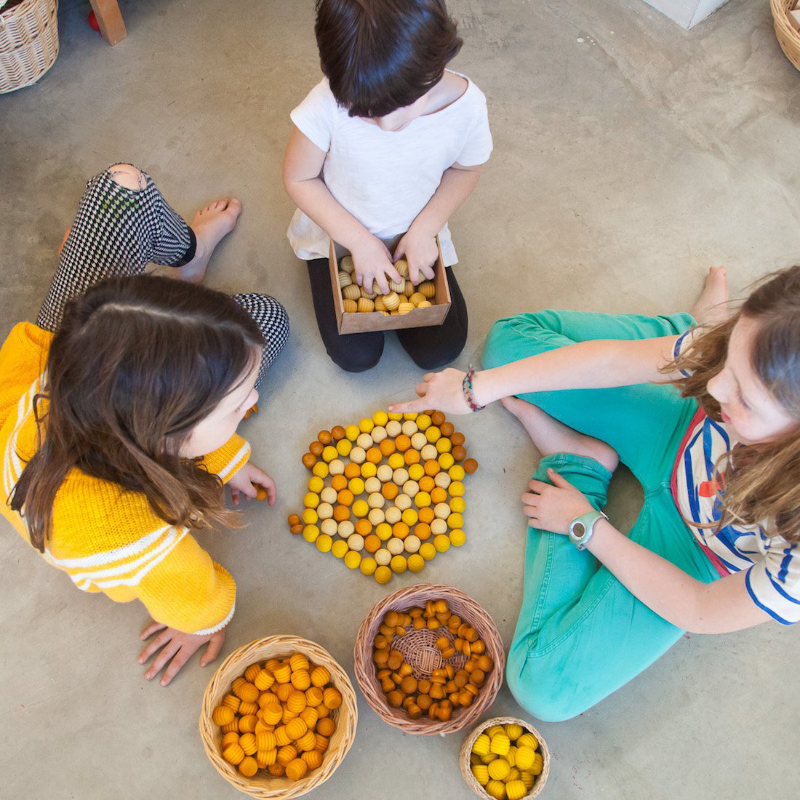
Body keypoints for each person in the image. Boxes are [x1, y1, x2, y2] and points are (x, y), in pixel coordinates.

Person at [390, 265, 800, 719]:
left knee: (541, 686)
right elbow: (611, 361)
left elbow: (699, 609)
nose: (717, 385)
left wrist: (584, 524)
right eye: (729, 358)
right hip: (680, 431)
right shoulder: (727, 378)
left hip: (701, 550)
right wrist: (474, 389)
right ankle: (691, 332)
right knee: (508, 345)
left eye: (744, 394)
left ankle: (579, 464)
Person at [1, 164, 289, 686]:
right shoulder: (127, 531)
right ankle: (156, 265)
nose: (254, 397)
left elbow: (172, 432)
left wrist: (223, 453)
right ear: (164, 441)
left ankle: (189, 254)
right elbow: (193, 595)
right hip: (90, 338)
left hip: (65, 346)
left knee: (122, 183)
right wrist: (202, 625)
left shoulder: (98, 404)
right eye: (234, 406)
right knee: (268, 316)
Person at [283, 0, 492, 372]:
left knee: (441, 350)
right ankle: (322, 265)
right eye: (363, 111)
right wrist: (360, 243)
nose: (385, 124)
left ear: (436, 65)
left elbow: (466, 170)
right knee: (356, 356)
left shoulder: (467, 107)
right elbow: (299, 177)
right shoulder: (327, 103)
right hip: (339, 235)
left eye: (401, 106)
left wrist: (425, 230)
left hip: (416, 232)